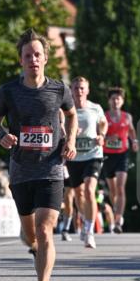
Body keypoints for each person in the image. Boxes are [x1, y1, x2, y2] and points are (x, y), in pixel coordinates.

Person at [0, 28, 77, 281]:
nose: (33, 60)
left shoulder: (59, 89)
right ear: (21, 60)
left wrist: (71, 139)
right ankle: (35, 252)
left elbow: (72, 114)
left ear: (45, 58)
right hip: (21, 171)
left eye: (38, 55)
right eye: (28, 55)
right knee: (31, 236)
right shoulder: (9, 91)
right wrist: (1, 135)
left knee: (45, 228)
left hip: (51, 169)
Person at [61, 76, 106, 249]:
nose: (79, 91)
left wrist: (101, 135)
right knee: (79, 194)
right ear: (71, 91)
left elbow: (103, 123)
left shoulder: (95, 108)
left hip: (93, 155)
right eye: (75, 88)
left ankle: (89, 231)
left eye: (82, 88)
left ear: (87, 91)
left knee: (89, 190)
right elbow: (59, 128)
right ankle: (83, 217)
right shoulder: (65, 110)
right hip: (74, 156)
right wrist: (70, 132)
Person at [101, 87, 138, 234]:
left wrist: (135, 141)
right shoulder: (104, 116)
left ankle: (118, 219)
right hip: (108, 155)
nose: (115, 101)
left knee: (121, 186)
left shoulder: (127, 117)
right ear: (109, 101)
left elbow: (132, 131)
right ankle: (116, 209)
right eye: (113, 99)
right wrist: (106, 138)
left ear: (122, 101)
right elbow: (99, 134)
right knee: (113, 190)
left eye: (118, 99)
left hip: (122, 154)